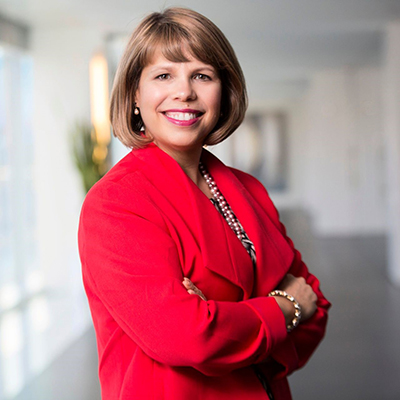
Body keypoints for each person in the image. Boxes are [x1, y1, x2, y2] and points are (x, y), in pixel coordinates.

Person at [78, 7, 330, 400]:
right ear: (134, 95)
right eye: (164, 75)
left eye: (202, 75)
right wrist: (283, 308)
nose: (185, 92)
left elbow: (315, 303)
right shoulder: (115, 204)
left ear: (223, 92)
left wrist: (222, 320)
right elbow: (187, 337)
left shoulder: (248, 190)